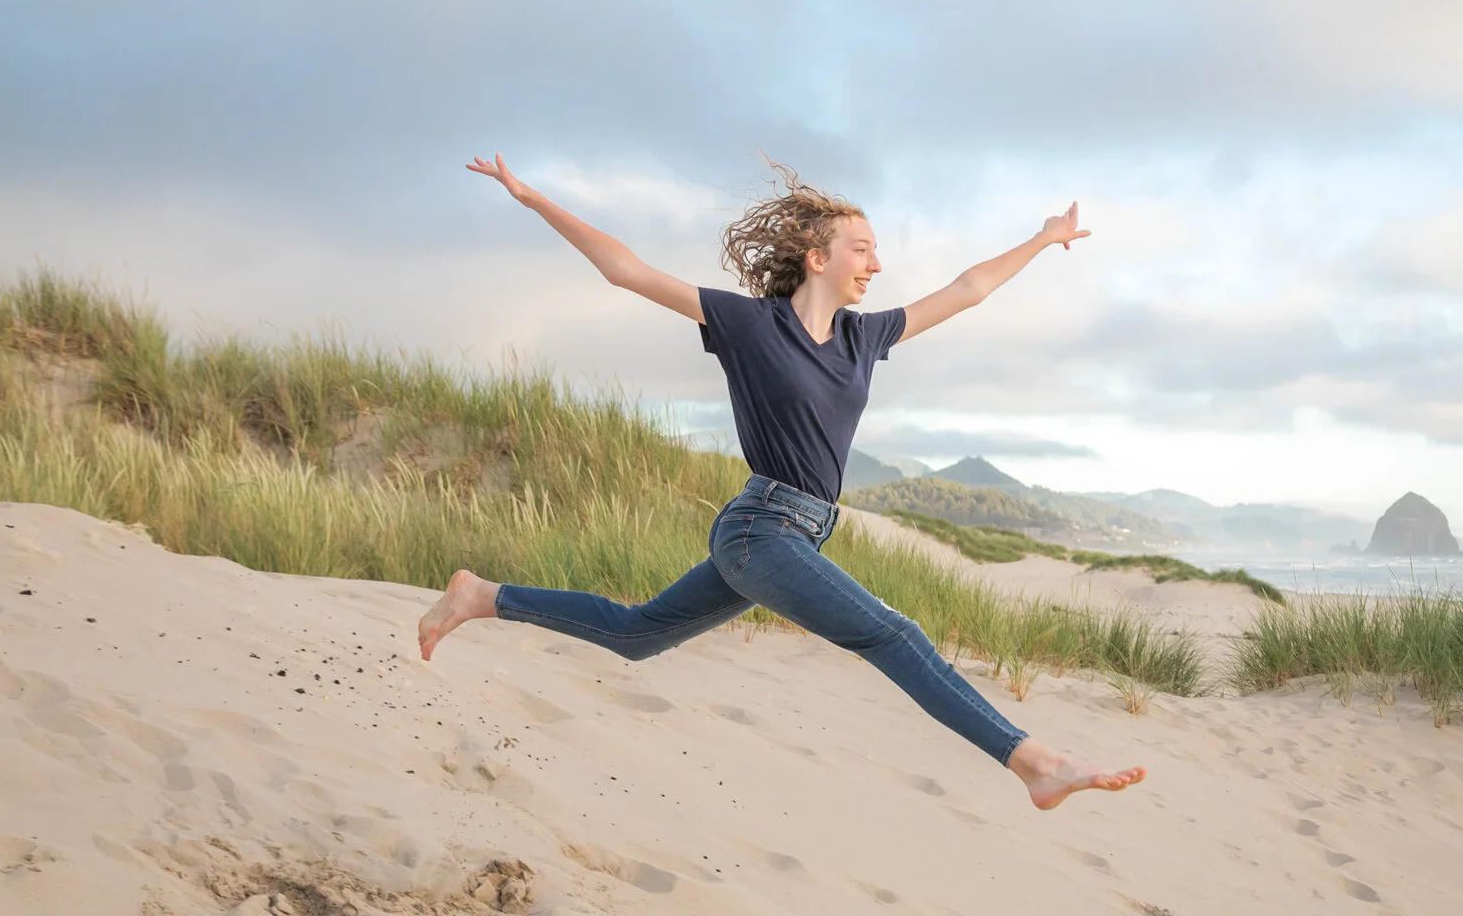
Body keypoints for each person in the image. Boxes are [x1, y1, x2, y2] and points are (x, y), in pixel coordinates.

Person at [418, 154, 1146, 810]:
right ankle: (1032, 760)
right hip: (759, 527)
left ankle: (480, 595)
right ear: (817, 256)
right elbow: (628, 271)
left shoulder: (866, 337)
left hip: (797, 534)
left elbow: (967, 289)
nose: (876, 265)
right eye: (863, 249)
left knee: (636, 633)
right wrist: (533, 198)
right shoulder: (750, 324)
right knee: (895, 633)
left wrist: (1044, 237)